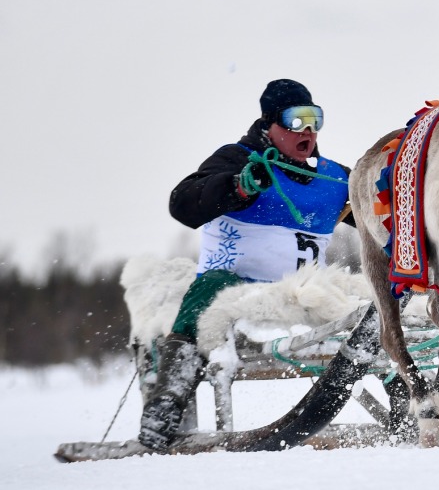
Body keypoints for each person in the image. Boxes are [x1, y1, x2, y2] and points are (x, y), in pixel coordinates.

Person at [138, 79, 352, 450]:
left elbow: (384, 215)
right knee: (207, 289)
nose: (308, 131)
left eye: (315, 119)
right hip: (235, 287)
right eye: (296, 120)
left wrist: (389, 179)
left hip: (303, 292)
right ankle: (166, 403)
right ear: (269, 124)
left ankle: (412, 398)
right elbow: (182, 203)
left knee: (375, 300)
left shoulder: (333, 178)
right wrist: (237, 187)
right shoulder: (238, 159)